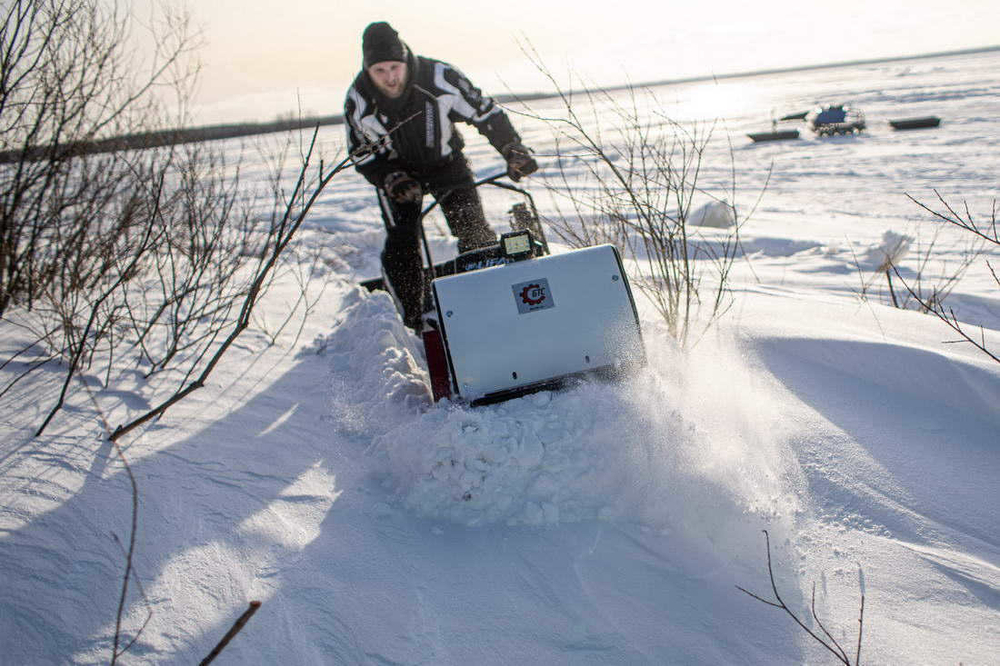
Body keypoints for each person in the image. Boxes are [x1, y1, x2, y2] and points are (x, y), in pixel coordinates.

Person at [344, 21, 538, 331]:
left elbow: (486, 113)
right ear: (368, 70)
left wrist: (511, 148)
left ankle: (491, 301)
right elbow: (363, 155)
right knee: (403, 241)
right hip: (399, 176)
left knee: (473, 230)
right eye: (380, 71)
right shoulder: (359, 101)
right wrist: (392, 178)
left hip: (446, 164)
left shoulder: (439, 77)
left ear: (405, 60)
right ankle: (413, 320)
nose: (390, 77)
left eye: (395, 67)